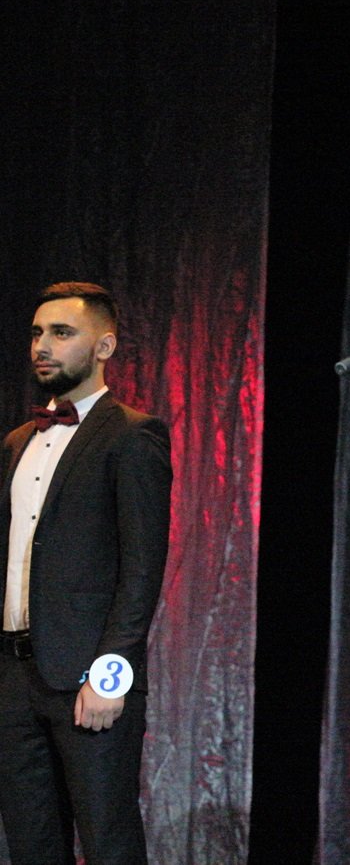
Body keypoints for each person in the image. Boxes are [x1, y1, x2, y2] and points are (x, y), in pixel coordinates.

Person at [0, 282, 172, 865]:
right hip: (14, 676)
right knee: (31, 844)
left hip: (85, 679)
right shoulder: (17, 442)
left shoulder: (131, 434)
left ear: (104, 346)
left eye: (61, 333)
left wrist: (109, 677)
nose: (42, 346)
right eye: (36, 333)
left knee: (108, 842)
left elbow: (142, 569)